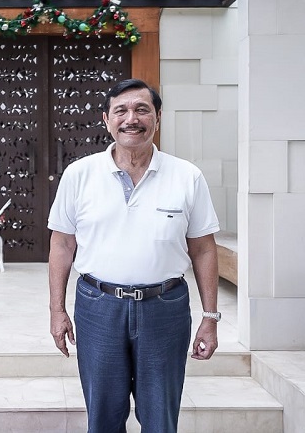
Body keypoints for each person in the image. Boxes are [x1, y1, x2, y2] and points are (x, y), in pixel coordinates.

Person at [48, 78, 221, 432]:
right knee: (103, 416)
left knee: (160, 418)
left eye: (142, 109)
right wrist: (57, 310)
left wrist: (210, 317)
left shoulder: (187, 176)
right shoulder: (80, 174)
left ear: (158, 117)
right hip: (98, 307)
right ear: (106, 120)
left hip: (166, 308)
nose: (132, 118)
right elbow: (62, 245)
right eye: (121, 111)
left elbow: (203, 249)